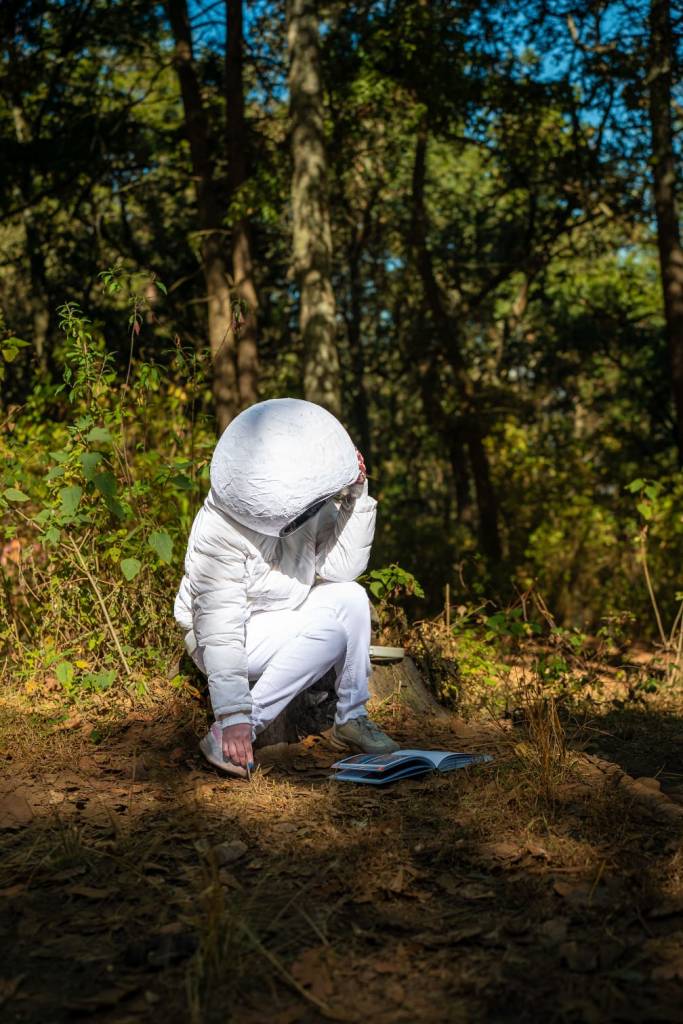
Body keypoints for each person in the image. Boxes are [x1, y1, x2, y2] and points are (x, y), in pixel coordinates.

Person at [174, 398, 399, 777]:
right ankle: (229, 735)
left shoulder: (303, 499)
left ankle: (350, 716)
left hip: (282, 613)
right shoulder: (218, 529)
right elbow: (219, 625)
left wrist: (356, 497)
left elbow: (343, 569)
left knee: (351, 597)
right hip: (221, 637)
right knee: (330, 634)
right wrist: (233, 715)